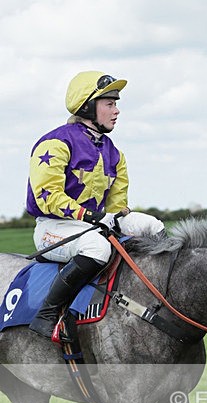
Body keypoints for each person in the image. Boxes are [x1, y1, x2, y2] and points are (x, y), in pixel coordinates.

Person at [26, 70, 165, 339]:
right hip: (54, 228)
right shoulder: (56, 142)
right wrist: (90, 216)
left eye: (116, 104)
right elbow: (47, 195)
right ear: (88, 106)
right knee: (98, 247)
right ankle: (47, 314)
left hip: (94, 223)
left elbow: (117, 205)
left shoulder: (114, 152)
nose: (117, 111)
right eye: (110, 104)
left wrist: (116, 217)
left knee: (152, 224)